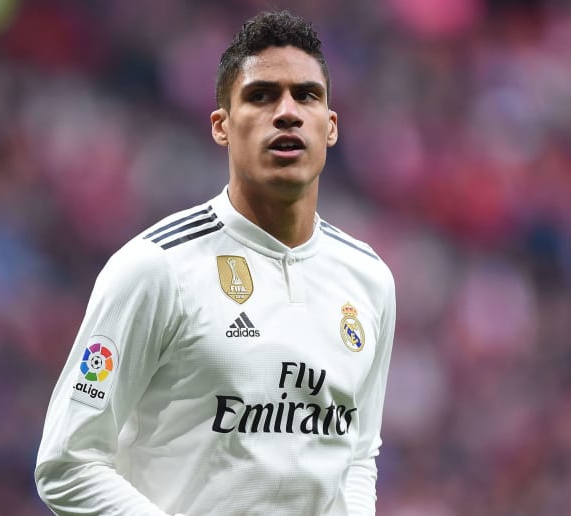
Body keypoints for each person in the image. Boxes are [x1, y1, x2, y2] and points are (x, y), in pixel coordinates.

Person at [34, 10, 396, 516]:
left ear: (330, 127)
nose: (287, 113)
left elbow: (358, 451)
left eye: (306, 96)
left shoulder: (369, 279)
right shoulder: (156, 269)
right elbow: (67, 463)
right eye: (261, 96)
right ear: (221, 126)